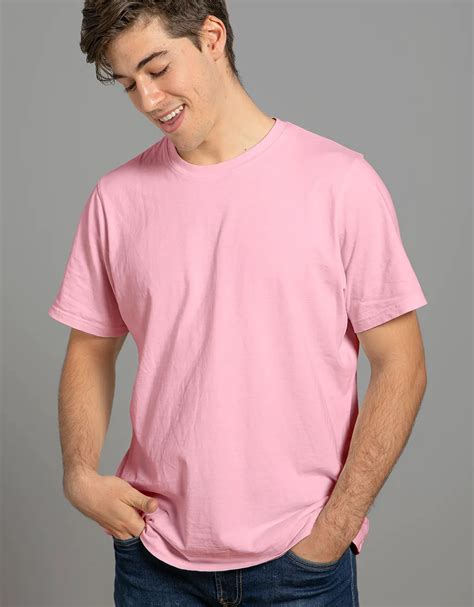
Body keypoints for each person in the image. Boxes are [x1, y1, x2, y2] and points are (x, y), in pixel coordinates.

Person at [48, 1, 428, 605]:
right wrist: (78, 475)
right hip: (155, 560)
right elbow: (90, 351)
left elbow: (402, 365)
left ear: (212, 37)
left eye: (157, 69)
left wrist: (334, 530)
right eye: (129, 84)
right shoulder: (116, 200)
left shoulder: (340, 182)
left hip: (302, 561)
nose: (148, 100)